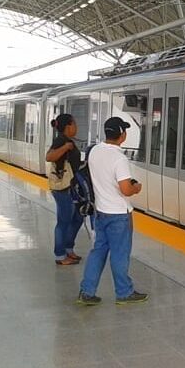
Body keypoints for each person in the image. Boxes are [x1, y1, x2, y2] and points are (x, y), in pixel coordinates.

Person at [78, 117, 147, 306]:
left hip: (100, 213)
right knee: (119, 254)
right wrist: (137, 187)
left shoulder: (94, 151)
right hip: (119, 215)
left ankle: (86, 291)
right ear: (122, 135)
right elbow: (125, 189)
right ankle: (124, 292)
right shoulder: (119, 158)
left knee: (98, 251)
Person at [45, 114, 84, 266]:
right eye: (74, 124)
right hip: (62, 187)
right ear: (68, 126)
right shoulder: (61, 140)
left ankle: (69, 248)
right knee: (64, 221)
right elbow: (49, 157)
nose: (76, 127)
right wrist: (66, 147)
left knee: (77, 218)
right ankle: (60, 255)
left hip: (72, 186)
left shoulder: (67, 140)